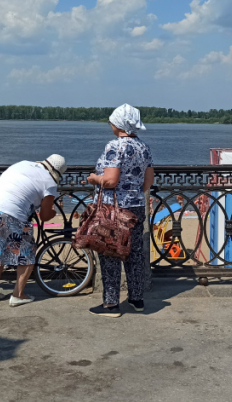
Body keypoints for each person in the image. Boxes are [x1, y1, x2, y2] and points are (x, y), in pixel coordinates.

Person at [87, 104, 154, 318]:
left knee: (110, 252)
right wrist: (132, 192)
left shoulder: (115, 146)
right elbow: (148, 182)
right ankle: (137, 299)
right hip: (136, 205)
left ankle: (111, 304)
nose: (110, 124)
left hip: (114, 208)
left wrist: (94, 179)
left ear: (118, 124)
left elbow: (110, 180)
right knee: (134, 253)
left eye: (111, 121)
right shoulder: (144, 147)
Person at [0, 155, 66, 307]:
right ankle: (18, 295)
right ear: (57, 174)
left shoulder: (23, 164)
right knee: (27, 253)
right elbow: (44, 216)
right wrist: (53, 213)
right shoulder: (49, 183)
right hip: (9, 212)